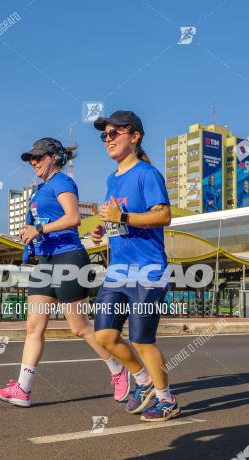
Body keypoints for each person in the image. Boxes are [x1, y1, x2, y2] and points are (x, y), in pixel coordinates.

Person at [0, 138, 131, 407]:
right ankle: (23, 388)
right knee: (34, 326)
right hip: (45, 262)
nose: (33, 162)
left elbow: (73, 218)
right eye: (30, 158)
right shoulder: (40, 188)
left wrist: (39, 230)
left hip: (68, 258)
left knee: (79, 327)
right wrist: (31, 235)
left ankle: (118, 370)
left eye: (38, 157)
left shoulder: (62, 182)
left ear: (53, 157)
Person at [90, 110, 179, 422]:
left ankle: (167, 399)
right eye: (104, 135)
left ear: (135, 136)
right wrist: (104, 229)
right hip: (117, 271)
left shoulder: (146, 174)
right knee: (104, 336)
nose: (107, 140)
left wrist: (121, 218)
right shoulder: (111, 179)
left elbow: (163, 215)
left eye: (114, 133)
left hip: (148, 270)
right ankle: (143, 382)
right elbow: (117, 218)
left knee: (142, 339)